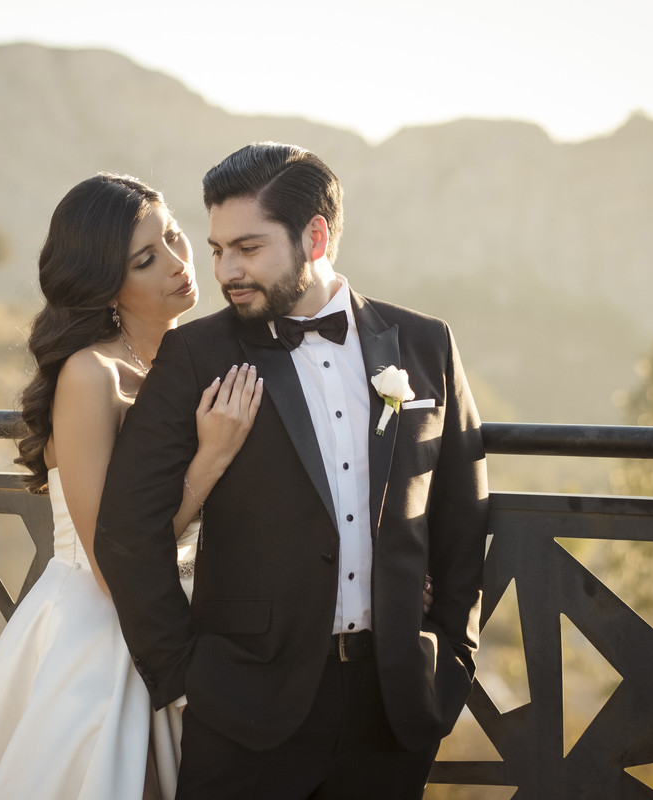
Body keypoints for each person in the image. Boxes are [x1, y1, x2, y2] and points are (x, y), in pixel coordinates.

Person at [95, 143, 490, 799]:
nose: (226, 270)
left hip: (394, 706)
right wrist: (184, 675)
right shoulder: (195, 356)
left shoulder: (425, 345)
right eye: (218, 249)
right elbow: (126, 530)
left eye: (247, 248)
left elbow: (461, 517)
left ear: (315, 236)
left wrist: (451, 655)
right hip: (243, 710)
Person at [0, 173, 264, 800]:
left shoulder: (194, 359)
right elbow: (115, 563)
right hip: (106, 630)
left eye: (174, 237)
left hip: (198, 618)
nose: (178, 263)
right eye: (146, 259)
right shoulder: (92, 374)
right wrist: (209, 459)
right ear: (106, 284)